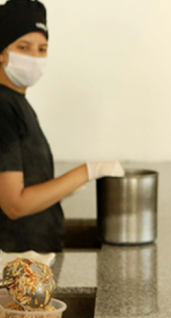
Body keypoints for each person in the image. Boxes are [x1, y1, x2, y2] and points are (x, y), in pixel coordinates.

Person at [0, 0, 124, 253]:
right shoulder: (2, 107)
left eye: (42, 49)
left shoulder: (16, 102)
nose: (34, 57)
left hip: (33, 257)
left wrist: (62, 190)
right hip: (17, 263)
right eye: (23, 47)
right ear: (2, 53)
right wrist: (87, 171)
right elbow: (14, 205)